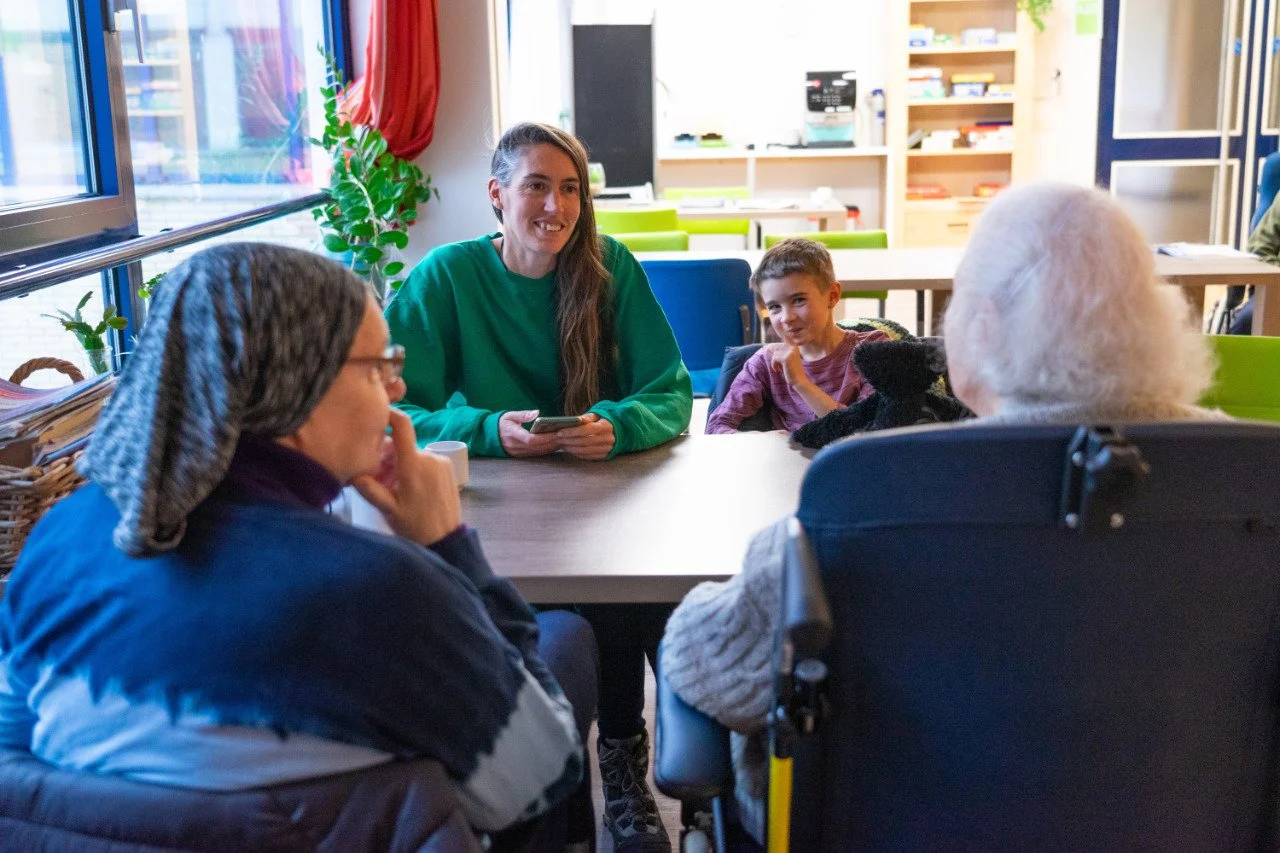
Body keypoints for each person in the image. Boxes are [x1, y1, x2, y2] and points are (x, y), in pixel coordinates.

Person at [660, 181, 1225, 847]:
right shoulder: (1248, 479)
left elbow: (708, 669)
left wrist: (694, 603)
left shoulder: (869, 491)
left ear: (981, 325)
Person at [0, 244, 598, 851]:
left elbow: (18, 758)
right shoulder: (377, 591)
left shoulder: (56, 540)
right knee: (566, 639)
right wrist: (449, 549)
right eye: (377, 368)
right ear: (299, 388)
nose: (397, 388)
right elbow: (535, 779)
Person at [386, 122, 693, 852]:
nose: (555, 205)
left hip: (608, 498)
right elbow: (394, 406)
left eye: (570, 188)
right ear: (496, 194)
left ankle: (620, 766)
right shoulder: (446, 275)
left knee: (624, 595)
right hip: (499, 513)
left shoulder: (610, 266)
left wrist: (615, 426)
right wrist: (492, 428)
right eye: (536, 185)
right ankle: (559, 786)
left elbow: (672, 392)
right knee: (565, 619)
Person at [705, 238, 891, 434]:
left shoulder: (874, 350)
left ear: (832, 295)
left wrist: (800, 383)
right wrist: (762, 442)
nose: (787, 318)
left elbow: (868, 433)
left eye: (799, 300)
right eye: (774, 307)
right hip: (789, 464)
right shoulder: (766, 362)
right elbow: (716, 426)